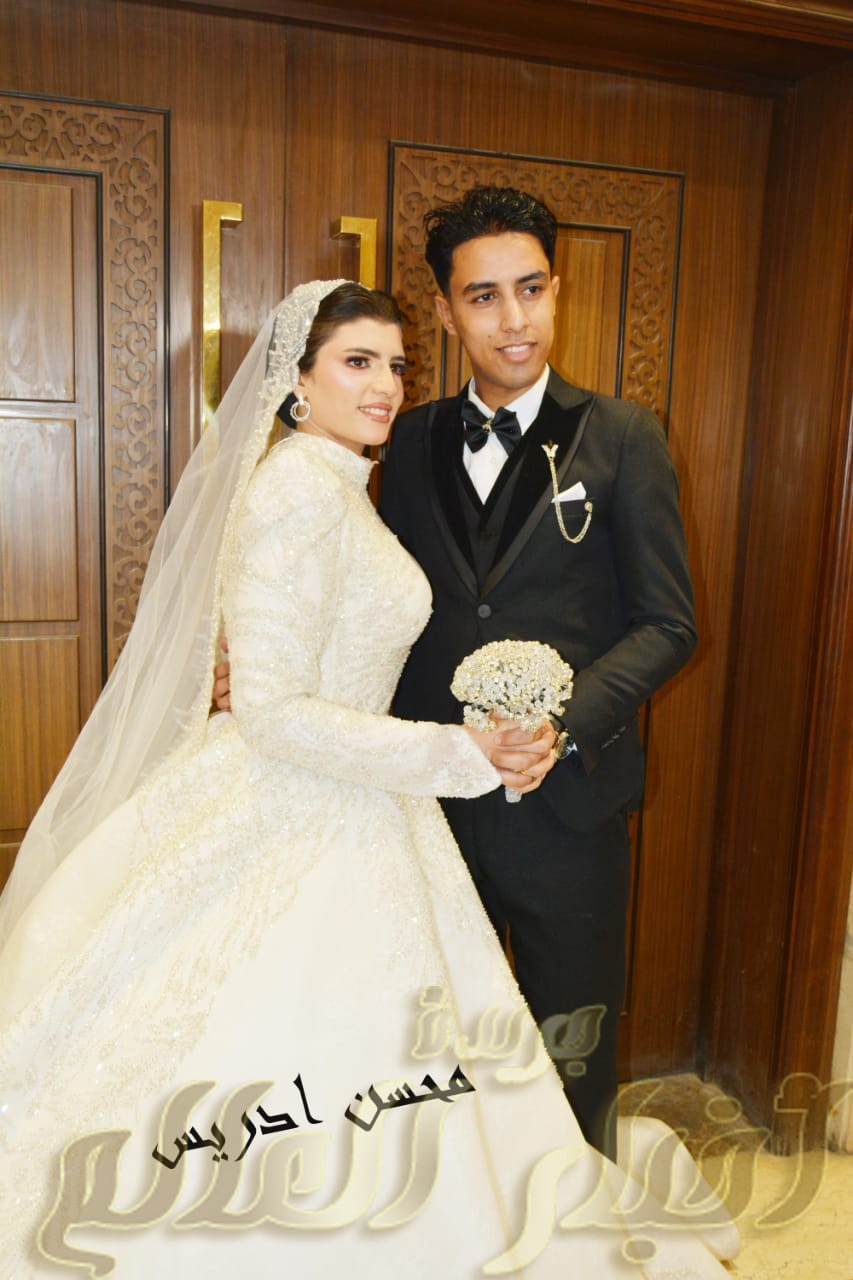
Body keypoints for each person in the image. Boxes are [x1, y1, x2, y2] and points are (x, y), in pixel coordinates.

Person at [0, 281, 732, 1277]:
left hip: (361, 798)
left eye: (395, 364)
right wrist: (459, 753)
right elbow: (272, 711)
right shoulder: (300, 489)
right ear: (297, 381)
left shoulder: (341, 480)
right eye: (356, 362)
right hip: (302, 806)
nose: (385, 383)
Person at [378, 186, 698, 1159]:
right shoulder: (404, 440)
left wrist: (565, 722)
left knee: (571, 1052)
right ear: (445, 311)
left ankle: (579, 1221)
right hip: (430, 805)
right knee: (438, 1051)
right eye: (483, 297)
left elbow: (668, 622)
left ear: (556, 290)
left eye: (529, 289)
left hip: (570, 808)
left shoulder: (622, 435)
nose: (512, 318)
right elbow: (373, 604)